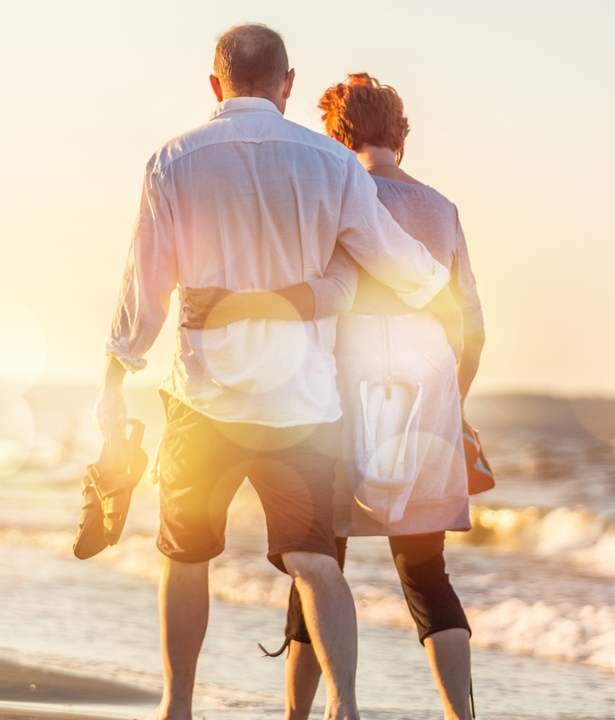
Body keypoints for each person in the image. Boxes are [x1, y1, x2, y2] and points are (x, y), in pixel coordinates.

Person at [94, 27, 450, 720]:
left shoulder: (171, 161)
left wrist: (116, 374)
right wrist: (439, 283)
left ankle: (178, 706)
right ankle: (344, 707)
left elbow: (146, 288)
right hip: (303, 405)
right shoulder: (333, 165)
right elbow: (400, 266)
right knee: (315, 561)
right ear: (287, 85)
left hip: (204, 399)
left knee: (185, 554)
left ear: (214, 85)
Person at [182, 74, 485, 720]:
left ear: (336, 133)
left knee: (319, 559)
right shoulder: (442, 209)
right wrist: (453, 406)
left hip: (341, 383)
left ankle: (302, 715)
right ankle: (463, 716)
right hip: (427, 384)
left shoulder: (333, 190)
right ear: (399, 131)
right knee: (426, 573)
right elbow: (472, 330)